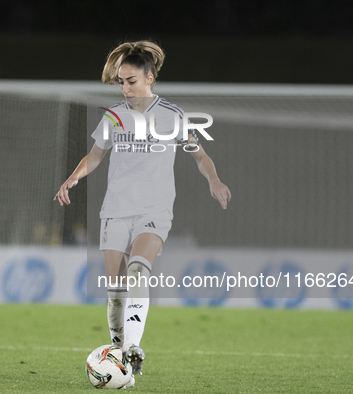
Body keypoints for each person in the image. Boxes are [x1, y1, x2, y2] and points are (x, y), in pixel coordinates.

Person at [54, 40, 231, 382]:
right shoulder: (114, 116)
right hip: (116, 210)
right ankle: (121, 360)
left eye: (131, 81)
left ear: (149, 77)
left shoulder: (172, 115)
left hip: (155, 209)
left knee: (138, 269)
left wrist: (214, 179)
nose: (125, 88)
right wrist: (73, 177)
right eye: (121, 82)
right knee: (116, 288)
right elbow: (95, 156)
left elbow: (199, 155)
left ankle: (133, 348)